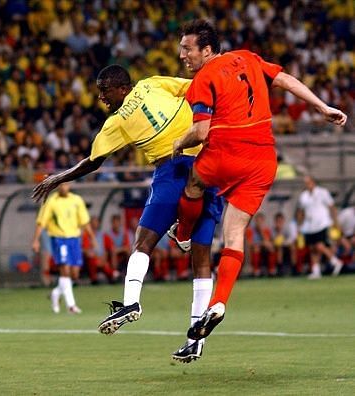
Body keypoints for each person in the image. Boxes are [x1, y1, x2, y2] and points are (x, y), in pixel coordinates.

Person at [32, 64, 224, 363]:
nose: (101, 97)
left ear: (122, 88)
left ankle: (132, 303)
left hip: (171, 170)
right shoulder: (155, 83)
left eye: (104, 90)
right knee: (201, 258)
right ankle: (195, 340)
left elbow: (93, 162)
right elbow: (196, 87)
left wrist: (57, 177)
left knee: (143, 242)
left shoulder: (117, 121)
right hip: (208, 165)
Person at [170, 20, 347, 340]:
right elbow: (287, 80)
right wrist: (322, 106)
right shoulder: (249, 58)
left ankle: (181, 234)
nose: (182, 54)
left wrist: (178, 143)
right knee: (234, 231)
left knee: (193, 183)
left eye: (187, 49)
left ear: (206, 50)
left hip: (227, 153)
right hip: (264, 159)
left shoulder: (203, 78)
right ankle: (219, 302)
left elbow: (201, 131)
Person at [32, 182, 94, 314]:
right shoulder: (51, 201)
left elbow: (84, 221)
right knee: (64, 270)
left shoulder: (76, 200)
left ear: (70, 185)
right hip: (59, 239)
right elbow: (41, 222)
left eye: (66, 184)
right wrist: (36, 240)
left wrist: (92, 238)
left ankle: (55, 293)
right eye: (61, 185)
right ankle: (71, 306)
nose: (63, 187)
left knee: (74, 273)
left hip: (74, 240)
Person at [298, 175, 343, 279]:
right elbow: (300, 211)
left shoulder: (323, 192)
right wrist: (300, 225)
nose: (307, 185)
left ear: (313, 182)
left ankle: (335, 261)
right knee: (313, 248)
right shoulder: (303, 196)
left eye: (308, 183)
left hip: (322, 223)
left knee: (319, 245)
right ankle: (316, 271)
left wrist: (336, 222)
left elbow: (332, 207)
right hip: (309, 225)